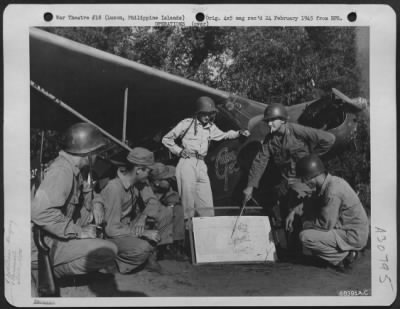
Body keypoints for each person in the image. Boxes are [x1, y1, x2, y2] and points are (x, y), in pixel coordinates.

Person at [31, 123, 118, 281]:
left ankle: (52, 268)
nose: (98, 155)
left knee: (92, 218)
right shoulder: (61, 171)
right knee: (108, 250)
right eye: (97, 151)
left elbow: (90, 191)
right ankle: (46, 272)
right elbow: (40, 213)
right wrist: (78, 232)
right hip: (42, 241)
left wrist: (97, 203)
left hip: (56, 231)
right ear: (88, 152)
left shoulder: (79, 169)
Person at [242, 103, 336, 245]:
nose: (270, 123)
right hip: (288, 181)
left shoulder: (297, 130)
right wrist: (250, 186)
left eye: (273, 120)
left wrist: (313, 158)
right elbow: (259, 162)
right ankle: (294, 251)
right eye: (268, 121)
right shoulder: (269, 140)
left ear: (283, 120)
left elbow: (329, 139)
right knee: (287, 215)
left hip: (305, 180)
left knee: (305, 213)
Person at [162, 96, 250, 222]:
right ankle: (188, 230)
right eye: (205, 114)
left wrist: (238, 133)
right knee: (188, 205)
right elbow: (166, 139)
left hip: (201, 164)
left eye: (210, 114)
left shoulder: (211, 127)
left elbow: (224, 136)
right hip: (187, 162)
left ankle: (207, 228)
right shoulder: (186, 123)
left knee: (207, 205)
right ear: (198, 112)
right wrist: (179, 151)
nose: (207, 117)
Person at [100, 147, 174, 274]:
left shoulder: (138, 182)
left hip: (126, 227)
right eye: (148, 171)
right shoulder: (114, 188)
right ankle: (113, 262)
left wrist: (143, 217)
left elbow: (152, 201)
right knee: (142, 248)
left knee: (166, 212)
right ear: (139, 170)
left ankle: (150, 257)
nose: (150, 174)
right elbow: (111, 229)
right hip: (110, 235)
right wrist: (143, 232)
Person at [294, 154, 369, 269]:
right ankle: (341, 254)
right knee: (312, 227)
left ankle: (347, 256)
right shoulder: (331, 182)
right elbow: (312, 200)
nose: (304, 183)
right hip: (349, 230)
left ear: (312, 176)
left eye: (304, 179)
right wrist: (295, 211)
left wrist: (305, 223)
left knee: (305, 236)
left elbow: (325, 225)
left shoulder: (332, 191)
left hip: (353, 235)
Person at [149, 162, 187, 261]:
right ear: (157, 182)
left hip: (160, 209)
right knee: (166, 212)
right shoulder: (146, 189)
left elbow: (172, 197)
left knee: (178, 209)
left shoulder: (164, 187)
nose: (171, 181)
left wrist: (171, 202)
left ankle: (175, 246)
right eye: (168, 179)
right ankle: (161, 248)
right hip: (145, 216)